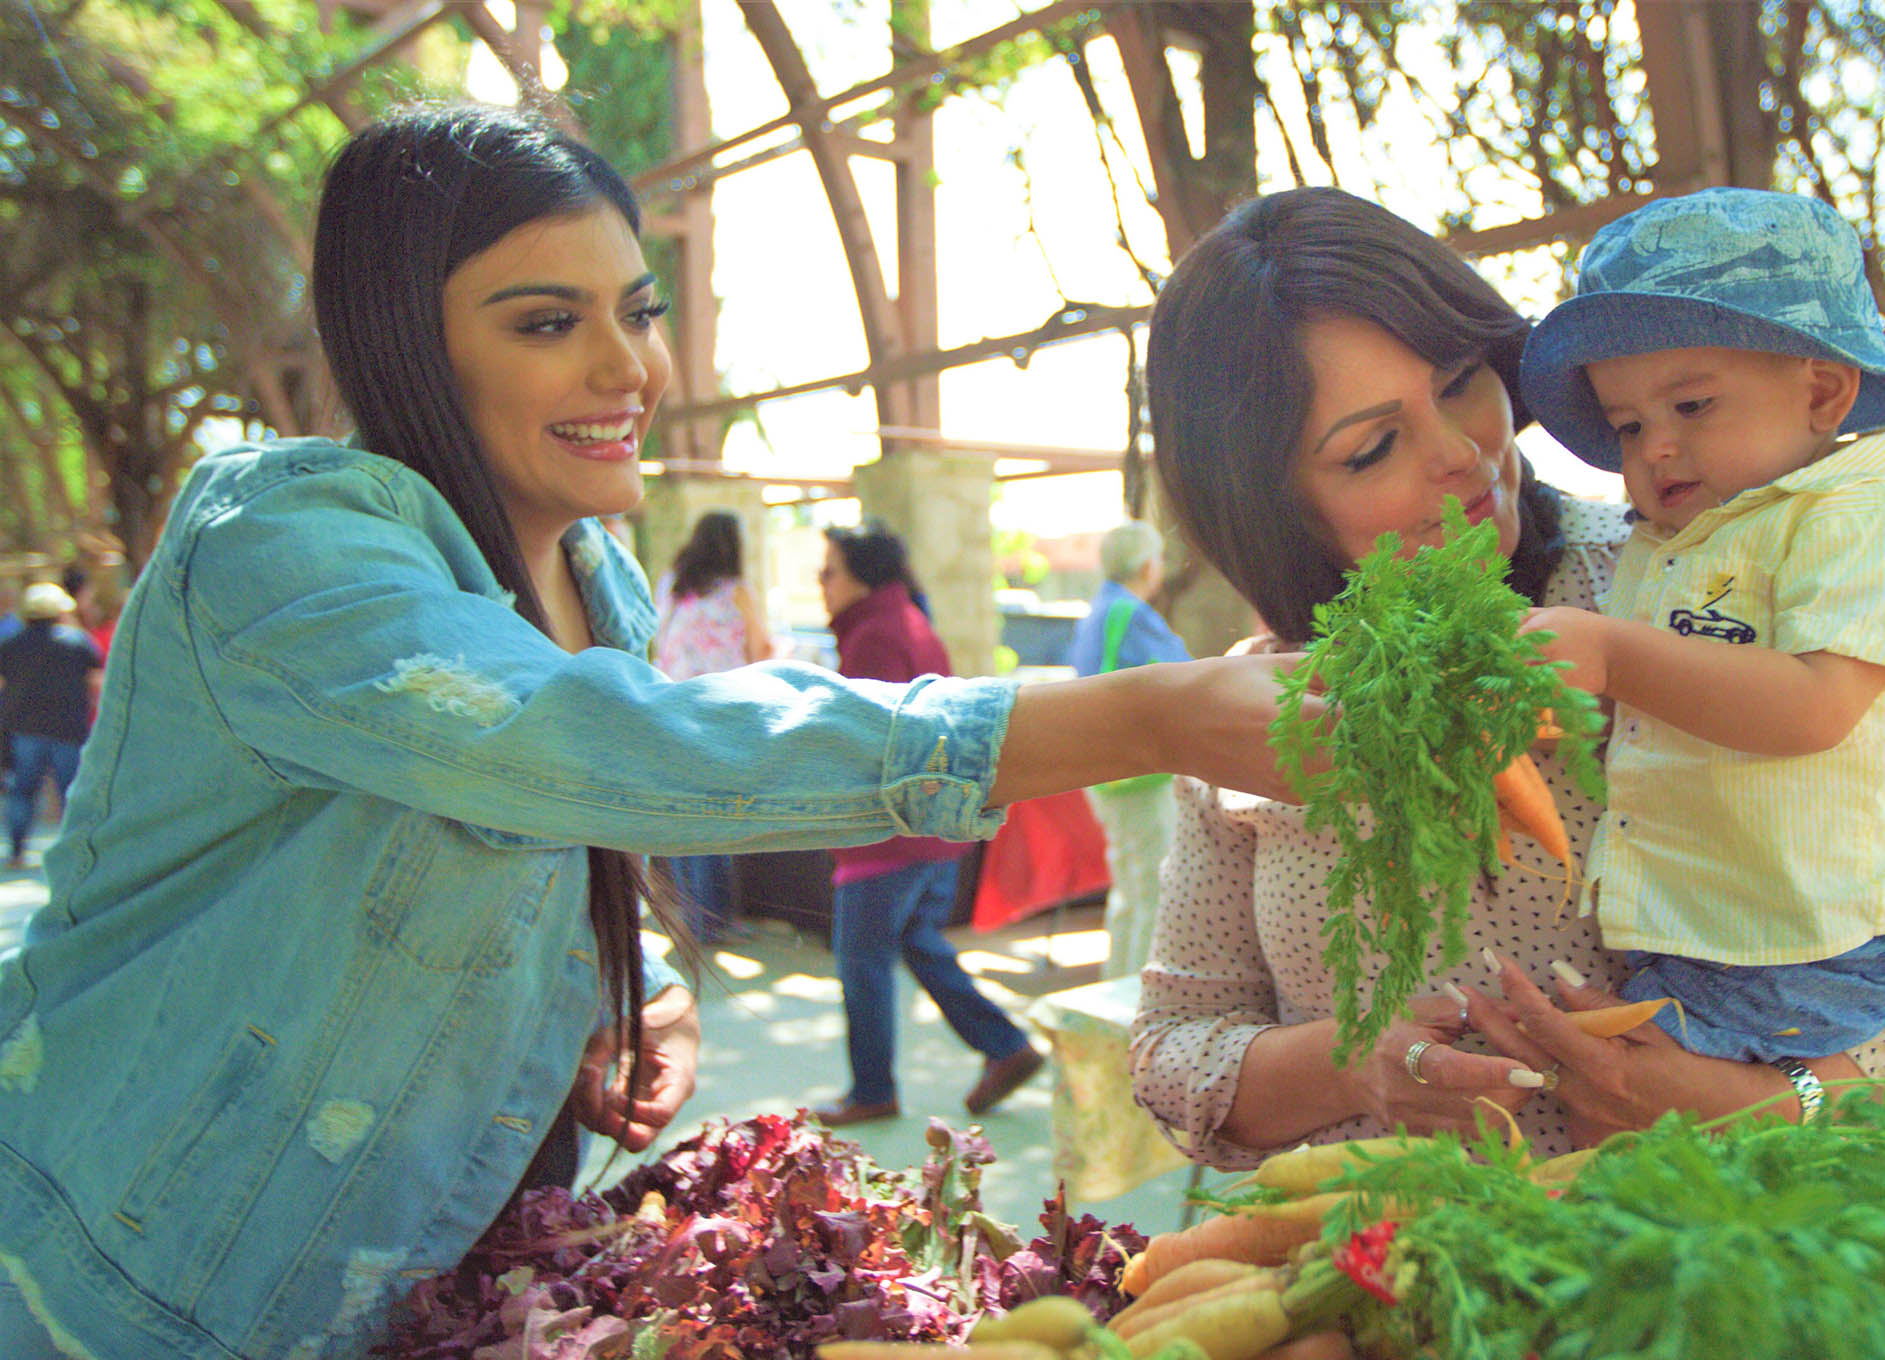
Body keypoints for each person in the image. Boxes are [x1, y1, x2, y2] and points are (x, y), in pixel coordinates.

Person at [0, 104, 1312, 1360]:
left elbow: (556, 821)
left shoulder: (600, 577)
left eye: (639, 310)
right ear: (407, 339)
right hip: (120, 1294)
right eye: (545, 322)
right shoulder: (284, 547)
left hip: (410, 1285)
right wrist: (1156, 712)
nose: (627, 367)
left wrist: (647, 993)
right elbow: (591, 746)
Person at [1129, 184, 1885, 1169]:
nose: (1461, 454)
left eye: (1461, 381)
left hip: (1696, 1266)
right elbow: (1170, 1052)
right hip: (1390, 1276)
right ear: (1268, 503)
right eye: (1372, 446)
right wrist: (1350, 1064)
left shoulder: (1695, 576)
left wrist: (1764, 1100)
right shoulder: (1246, 719)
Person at [1514, 187, 1885, 1066]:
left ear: (1824, 391)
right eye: (1629, 424)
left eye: (1692, 407)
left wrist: (1612, 654)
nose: (1655, 448)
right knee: (1620, 1089)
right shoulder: (1677, 542)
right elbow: (1665, 709)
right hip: (1723, 923)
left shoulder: (1854, 524)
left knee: (1643, 1103)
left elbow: (1811, 708)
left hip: (1819, 935)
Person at [809, 520, 1046, 1127]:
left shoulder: (875, 635)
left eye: (830, 568)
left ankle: (871, 1091)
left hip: (891, 837)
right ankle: (1006, 1047)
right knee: (919, 945)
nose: (821, 580)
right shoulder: (907, 620)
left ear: (862, 575)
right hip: (933, 832)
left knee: (862, 963)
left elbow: (870, 742)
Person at [1067, 519, 1192, 976]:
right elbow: (1183, 676)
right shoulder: (1133, 614)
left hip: (1104, 772)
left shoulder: (1099, 609)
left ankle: (1113, 992)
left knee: (1129, 891)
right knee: (1155, 897)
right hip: (1139, 774)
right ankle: (1137, 1008)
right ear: (1146, 565)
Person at [653, 508, 773, 942]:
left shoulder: (672, 585)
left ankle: (692, 915)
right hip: (723, 714)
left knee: (686, 821)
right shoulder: (737, 592)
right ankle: (717, 921)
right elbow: (760, 648)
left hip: (671, 707)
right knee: (718, 821)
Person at [0, 582, 104, 868]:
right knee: (70, 791)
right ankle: (75, 856)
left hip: (24, 728)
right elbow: (97, 682)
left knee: (23, 791)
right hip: (68, 727)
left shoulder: (10, 644)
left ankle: (17, 852)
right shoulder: (77, 642)